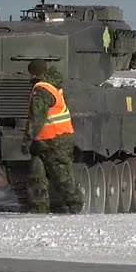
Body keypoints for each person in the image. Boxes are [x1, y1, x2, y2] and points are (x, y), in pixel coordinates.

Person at [24, 59, 82, 214]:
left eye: (29, 72)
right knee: (36, 175)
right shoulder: (52, 85)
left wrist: (27, 137)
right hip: (46, 139)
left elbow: (37, 117)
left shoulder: (42, 90)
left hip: (54, 139)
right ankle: (38, 209)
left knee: (61, 175)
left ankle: (75, 205)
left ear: (34, 72)